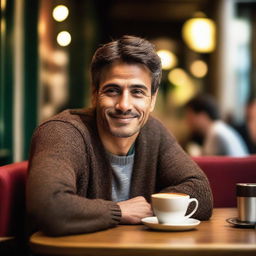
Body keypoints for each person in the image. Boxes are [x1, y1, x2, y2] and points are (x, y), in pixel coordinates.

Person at [26, 35, 213, 237]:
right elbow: (49, 206)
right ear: (94, 94)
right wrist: (120, 211)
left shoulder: (153, 131)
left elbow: (200, 192)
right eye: (112, 90)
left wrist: (147, 208)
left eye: (138, 92)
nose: (124, 105)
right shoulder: (63, 132)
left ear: (152, 100)